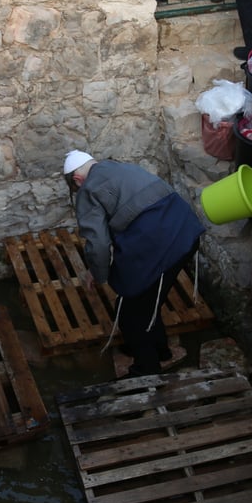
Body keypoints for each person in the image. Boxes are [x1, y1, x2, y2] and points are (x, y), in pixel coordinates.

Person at [64, 150, 204, 377]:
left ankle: (146, 371)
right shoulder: (121, 167)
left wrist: (99, 274)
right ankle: (161, 351)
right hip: (185, 231)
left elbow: (97, 243)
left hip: (161, 243)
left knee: (130, 316)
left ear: (77, 180)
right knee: (146, 299)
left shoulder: (88, 189)